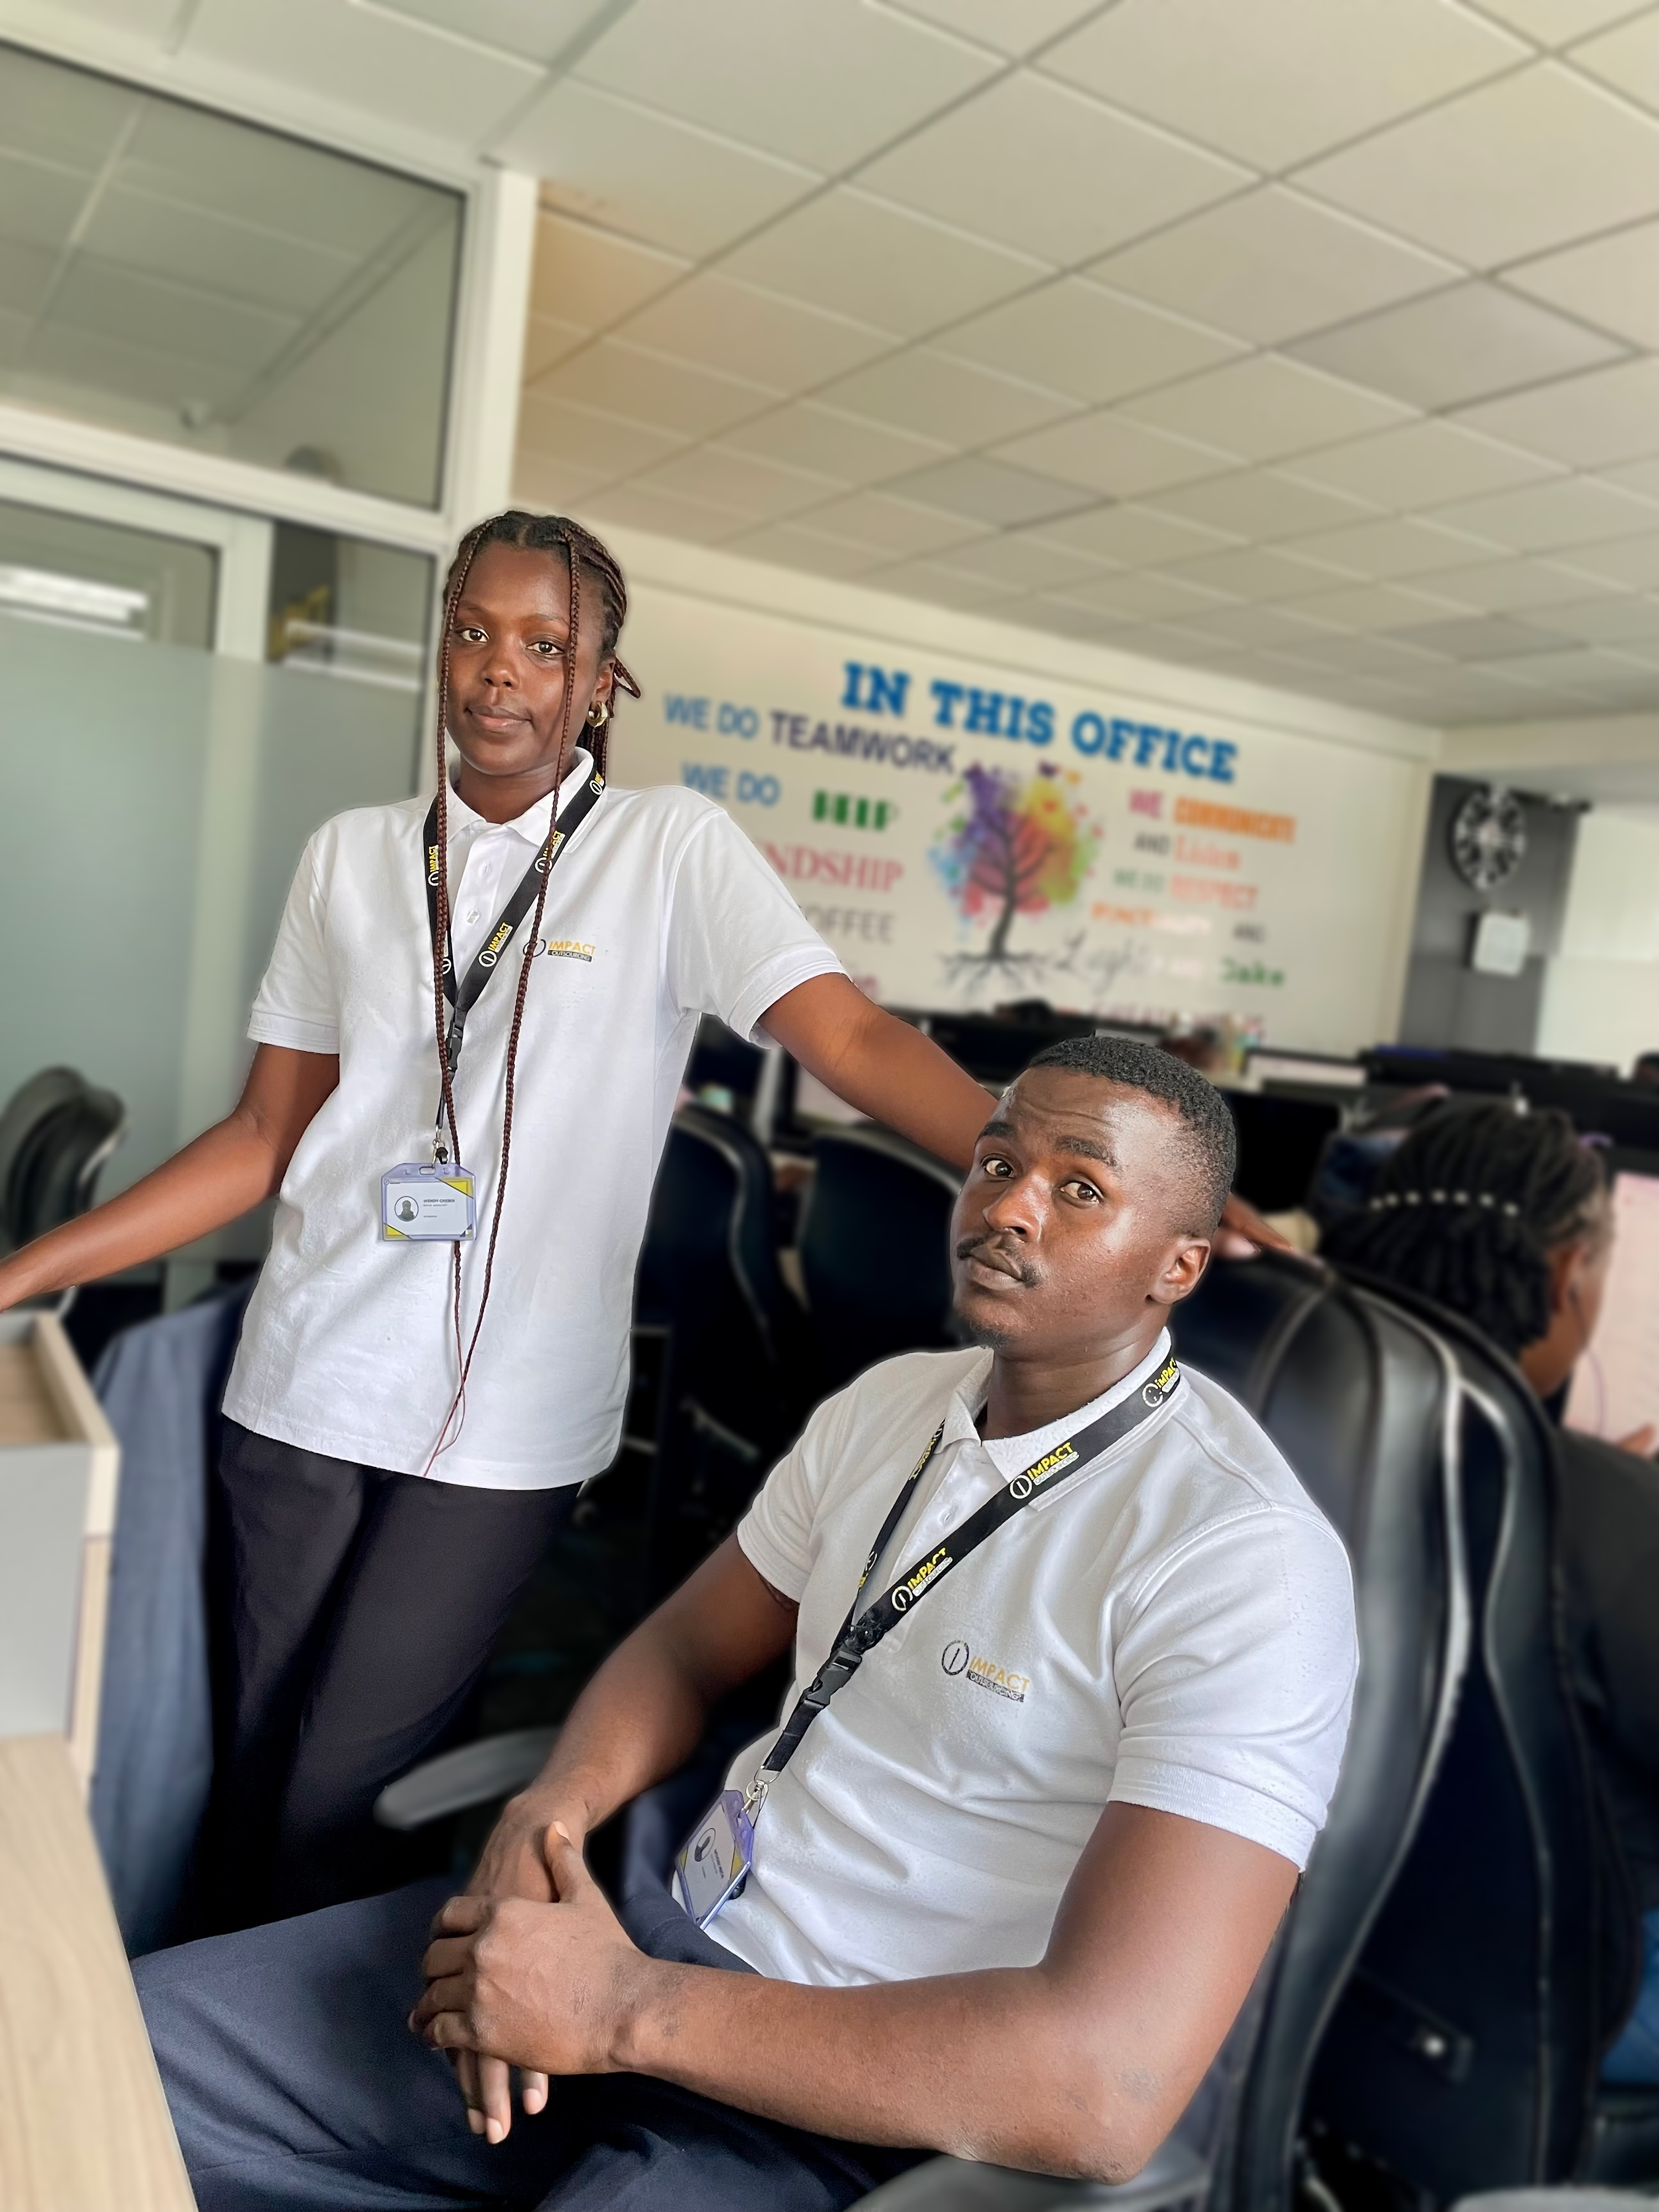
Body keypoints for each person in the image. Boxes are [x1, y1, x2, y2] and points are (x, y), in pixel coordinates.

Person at [135, 1036, 1359, 2211]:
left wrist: (626, 2012)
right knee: (97, 2056)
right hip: (637, 1931)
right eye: (997, 1163)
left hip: (838, 2099)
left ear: (1178, 1267)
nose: (1010, 1209)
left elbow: (1106, 2088)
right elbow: (678, 1651)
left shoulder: (1239, 1560)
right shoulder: (892, 1405)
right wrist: (543, 1815)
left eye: (1079, 1187)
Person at [0, 510, 1002, 1923]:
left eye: (546, 644)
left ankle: (258, 2078)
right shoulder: (351, 858)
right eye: (473, 632)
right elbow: (262, 1137)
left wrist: (1039, 1151)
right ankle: (182, 2049)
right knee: (243, 1767)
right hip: (300, 1387)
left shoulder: (667, 849)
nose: (500, 671)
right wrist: (26, 1269)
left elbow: (850, 1039)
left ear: (602, 680)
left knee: (335, 1791)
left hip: (505, 1426)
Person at [1321, 1100, 1659, 2084]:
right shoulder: (1591, 1514)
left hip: (1332, 1951)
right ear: (1565, 1278)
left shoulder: (1293, 1424)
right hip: (1551, 1999)